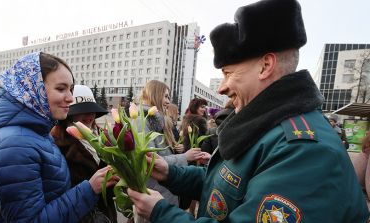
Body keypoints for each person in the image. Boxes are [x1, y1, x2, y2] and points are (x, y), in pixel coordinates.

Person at [127, 0, 369, 222]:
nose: (221, 88)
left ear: (265, 66)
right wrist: (171, 173)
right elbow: (224, 184)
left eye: (229, 73)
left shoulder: (302, 150)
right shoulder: (264, 127)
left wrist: (161, 213)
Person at [0, 52, 117, 222]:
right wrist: (90, 189)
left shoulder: (35, 133)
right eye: (61, 88)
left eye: (71, 89)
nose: (70, 98)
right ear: (33, 89)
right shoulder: (13, 146)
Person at [51, 85, 117, 223]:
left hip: (107, 215)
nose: (90, 115)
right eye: (83, 111)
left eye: (92, 110)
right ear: (69, 114)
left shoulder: (103, 137)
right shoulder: (57, 145)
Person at [137, 80, 209, 206]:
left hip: (161, 190)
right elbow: (149, 161)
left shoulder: (157, 120)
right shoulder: (141, 122)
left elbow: (159, 152)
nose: (168, 101)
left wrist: (176, 149)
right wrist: (184, 157)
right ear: (155, 94)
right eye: (165, 96)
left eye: (168, 97)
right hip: (154, 192)